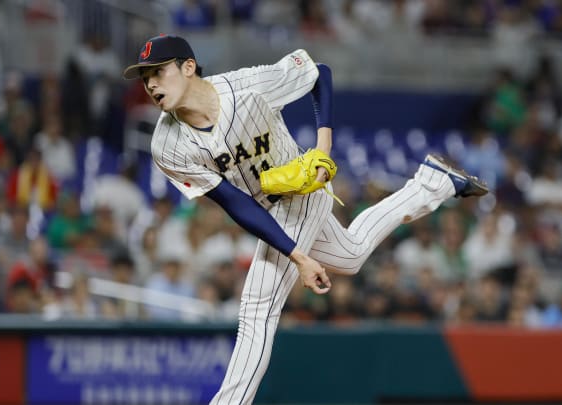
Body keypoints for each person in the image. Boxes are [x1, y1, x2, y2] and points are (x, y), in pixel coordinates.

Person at [122, 34, 488, 405]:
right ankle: (434, 183)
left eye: (158, 71)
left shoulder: (247, 87)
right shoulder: (166, 145)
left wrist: (322, 148)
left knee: (257, 307)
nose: (151, 84)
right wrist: (298, 255)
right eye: (144, 77)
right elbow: (235, 204)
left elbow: (319, 74)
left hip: (300, 191)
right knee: (352, 253)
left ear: (188, 67)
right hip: (263, 206)